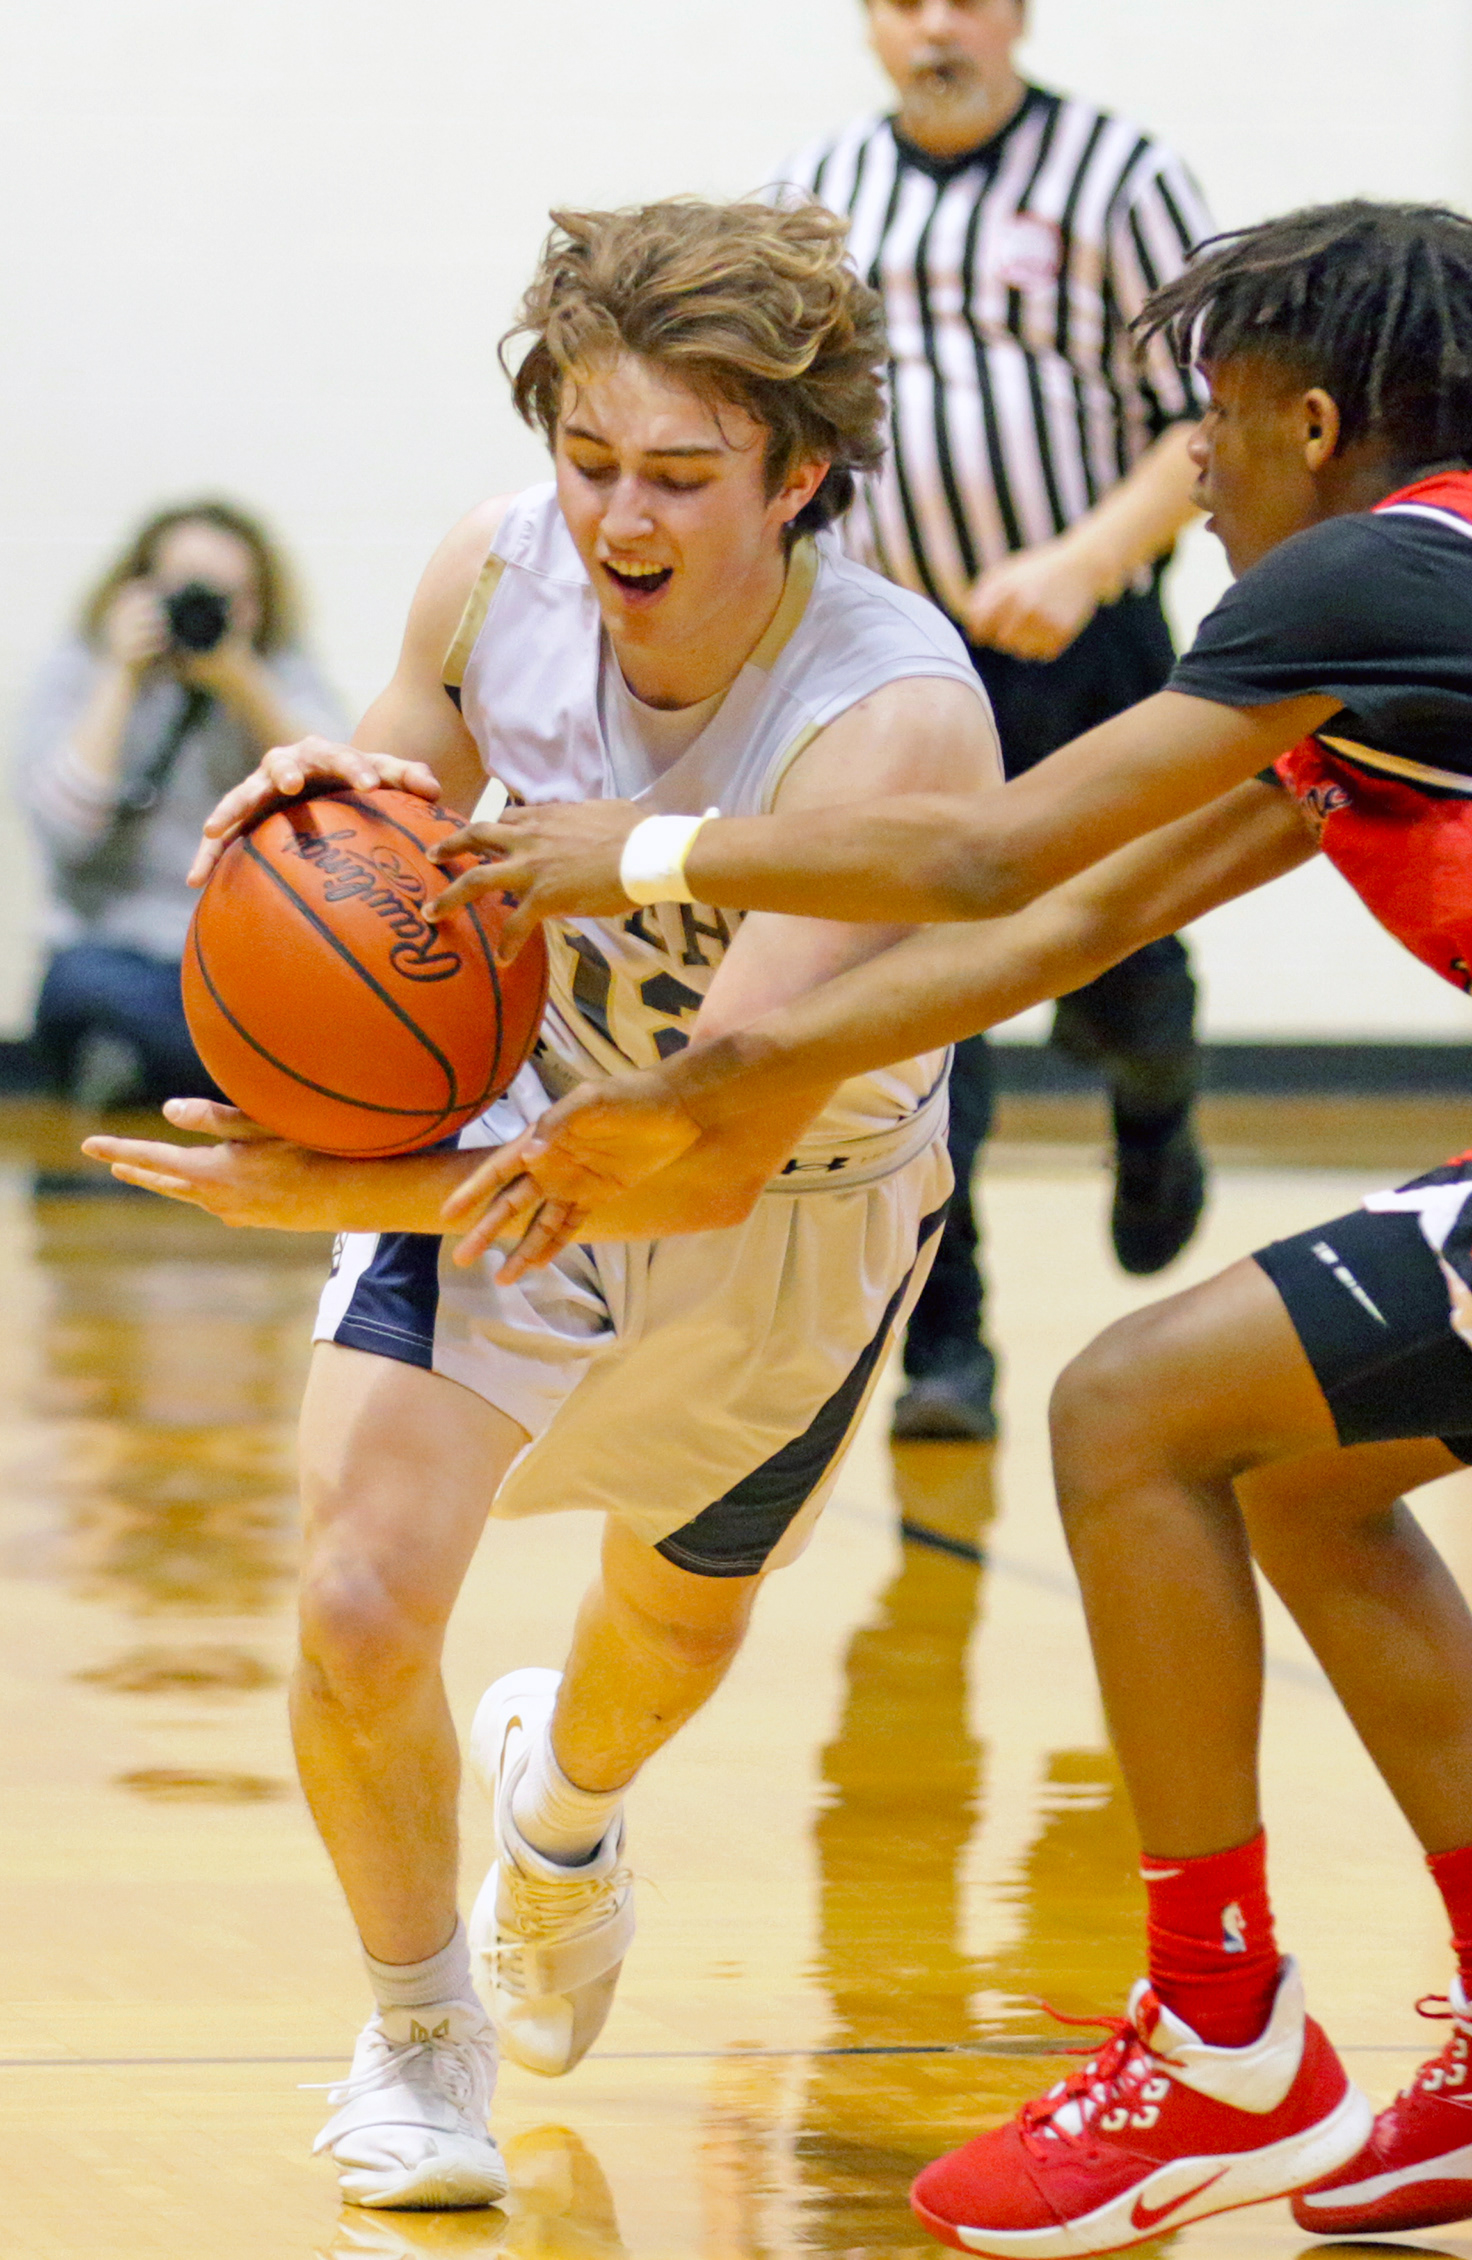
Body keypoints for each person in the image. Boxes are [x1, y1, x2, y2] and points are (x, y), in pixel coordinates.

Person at [424, 201, 1472, 2251]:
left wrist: (650, 847)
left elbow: (986, 840)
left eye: (1211, 429)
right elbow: (1075, 920)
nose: (1193, 474)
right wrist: (711, 1086)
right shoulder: (1447, 614)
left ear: (1315, 419)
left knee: (1125, 1407)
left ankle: (1218, 2038)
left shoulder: (1397, 565)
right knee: (1296, 1478)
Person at [88, 197, 999, 2211]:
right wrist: (318, 808)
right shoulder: (491, 572)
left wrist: (306, 1176)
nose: (621, 517)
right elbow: (392, 828)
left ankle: (565, 1814)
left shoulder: (889, 713)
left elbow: (705, 1134)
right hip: (509, 1117)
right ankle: (420, 2031)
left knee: (663, 1641)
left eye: (682, 474)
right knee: (355, 1593)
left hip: (783, 1208)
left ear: (802, 471)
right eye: (592, 462)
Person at [776, 0, 1218, 1439]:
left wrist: (1085, 561)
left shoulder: (1121, 178)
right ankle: (946, 1349)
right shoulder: (813, 195)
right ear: (869, 26)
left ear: (1018, 15)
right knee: (923, 1008)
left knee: (1123, 953)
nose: (939, 23)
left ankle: (1154, 1105)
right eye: (906, 1)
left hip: (1084, 646)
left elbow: (1204, 419)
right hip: (900, 671)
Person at [20, 500, 347, 1106]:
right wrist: (119, 677)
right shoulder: (84, 667)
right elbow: (66, 834)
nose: (199, 610)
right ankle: (226, 1075)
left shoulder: (279, 674)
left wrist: (241, 680)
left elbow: (339, 820)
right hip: (113, 952)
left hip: (236, 960)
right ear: (136, 589)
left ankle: (167, 1071)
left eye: (225, 596)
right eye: (184, 591)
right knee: (78, 987)